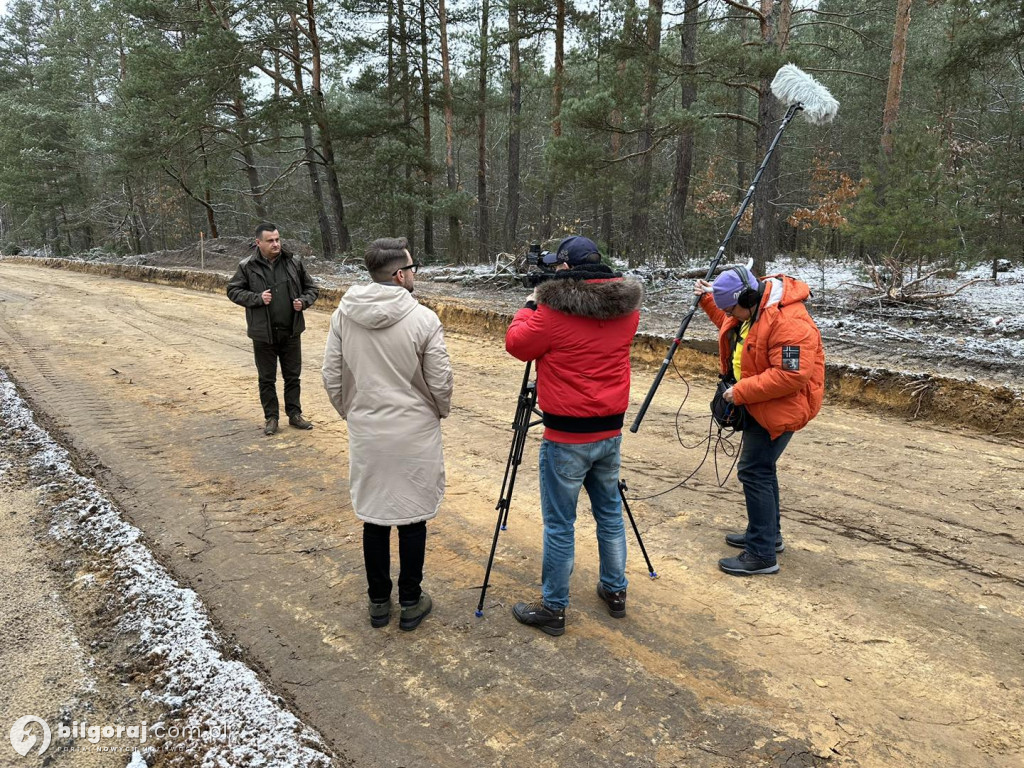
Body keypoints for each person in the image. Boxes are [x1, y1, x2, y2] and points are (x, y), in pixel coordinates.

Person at [505, 235, 643, 636]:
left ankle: (554, 606)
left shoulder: (550, 313)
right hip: (609, 429)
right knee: (609, 514)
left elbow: (518, 345)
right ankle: (615, 591)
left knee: (561, 523)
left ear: (564, 268)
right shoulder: (628, 311)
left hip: (566, 435)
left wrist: (531, 302)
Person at [321, 237, 453, 631]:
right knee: (413, 518)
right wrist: (437, 411)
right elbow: (440, 380)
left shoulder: (344, 316)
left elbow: (331, 375)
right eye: (412, 268)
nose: (414, 274)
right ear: (399, 275)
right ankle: (411, 601)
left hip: (368, 430)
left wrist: (353, 412)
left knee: (375, 517)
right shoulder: (423, 319)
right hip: (414, 431)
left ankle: (379, 601)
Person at [694, 265, 825, 576]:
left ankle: (761, 554)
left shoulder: (790, 322)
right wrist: (707, 300)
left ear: (747, 297)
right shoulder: (753, 308)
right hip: (759, 403)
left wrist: (740, 392)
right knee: (763, 470)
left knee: (754, 472)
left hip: (780, 407)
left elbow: (791, 375)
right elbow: (732, 324)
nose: (731, 316)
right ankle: (767, 535)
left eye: (733, 309)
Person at [227, 223, 319, 435]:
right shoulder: (247, 266)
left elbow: (312, 288)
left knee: (293, 376)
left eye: (277, 239)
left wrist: (303, 302)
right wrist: (257, 298)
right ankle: (271, 418)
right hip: (263, 334)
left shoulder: (294, 262)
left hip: (291, 331)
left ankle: (295, 415)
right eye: (270, 240)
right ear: (258, 243)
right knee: (267, 378)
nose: (276, 244)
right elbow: (233, 291)